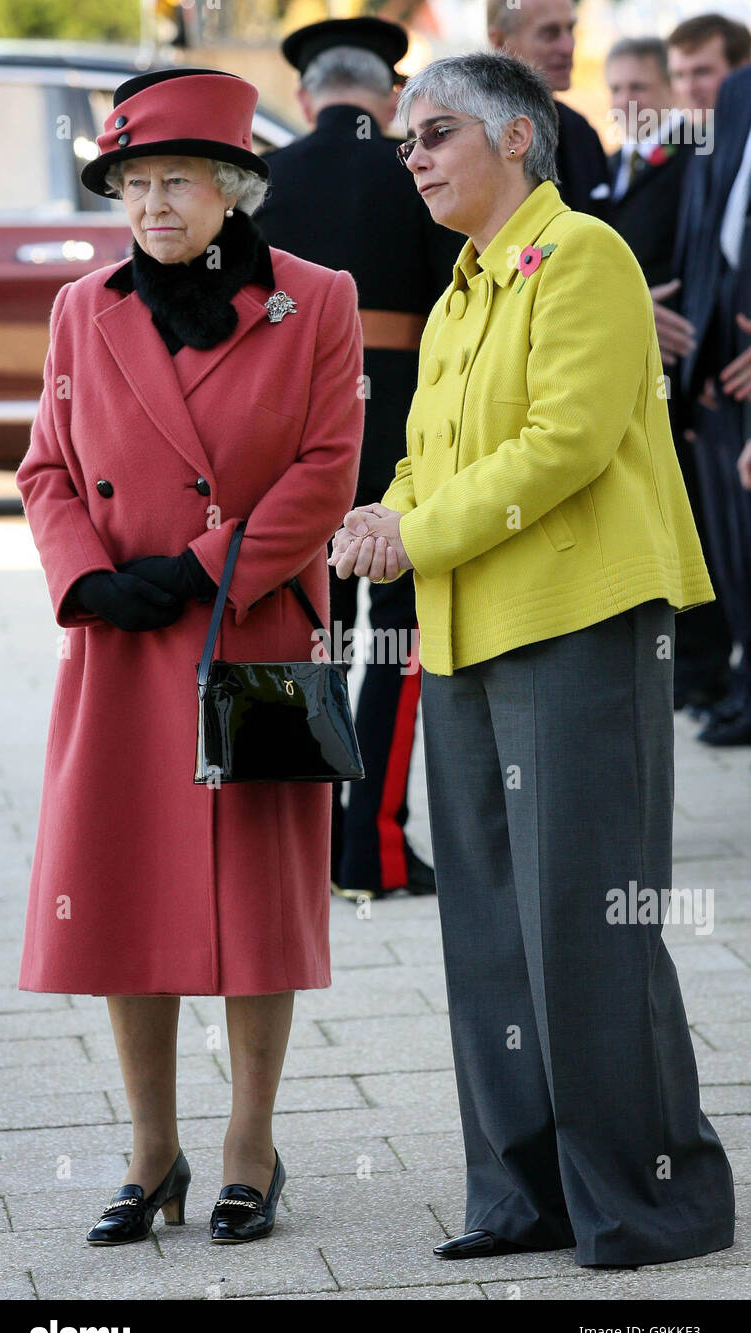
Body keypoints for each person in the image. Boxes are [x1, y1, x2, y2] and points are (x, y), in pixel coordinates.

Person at [330, 50, 735, 1268]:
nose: (413, 158)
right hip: (465, 625)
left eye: (434, 133)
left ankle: (650, 1198)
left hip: (577, 622)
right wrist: (380, 516)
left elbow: (561, 441)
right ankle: (523, 1194)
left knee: (587, 922)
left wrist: (418, 529)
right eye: (404, 140)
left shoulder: (584, 256)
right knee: (493, 930)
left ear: (517, 138)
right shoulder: (460, 287)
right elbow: (424, 452)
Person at [15, 67, 364, 1246]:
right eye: (131, 184)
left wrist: (203, 567)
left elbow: (327, 471)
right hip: (121, 646)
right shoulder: (81, 307)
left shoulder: (315, 299)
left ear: (232, 188)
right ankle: (149, 1152)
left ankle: (248, 1148)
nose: (150, 206)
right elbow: (45, 470)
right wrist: (90, 579)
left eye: (173, 181)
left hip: (252, 638)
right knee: (121, 893)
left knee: (259, 906)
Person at [257, 16, 463, 900]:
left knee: (303, 635)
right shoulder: (413, 167)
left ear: (307, 98)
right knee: (399, 639)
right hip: (404, 427)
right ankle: (369, 848)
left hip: (288, 432)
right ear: (388, 99)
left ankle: (288, 855)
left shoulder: (261, 180)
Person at [606, 36, 735, 713]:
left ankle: (707, 667)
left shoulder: (698, 160)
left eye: (641, 88)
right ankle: (688, 667)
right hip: (628, 368)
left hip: (694, 367)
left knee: (703, 524)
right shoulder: (606, 168)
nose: (628, 102)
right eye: (617, 89)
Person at [674, 63, 751, 746]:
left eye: (702, 70)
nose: (692, 87)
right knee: (733, 546)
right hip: (722, 368)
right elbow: (710, 247)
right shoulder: (733, 104)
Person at [487, 0, 610, 215]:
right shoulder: (473, 137)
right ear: (499, 42)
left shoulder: (581, 131)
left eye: (570, 29)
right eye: (549, 33)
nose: (568, 46)